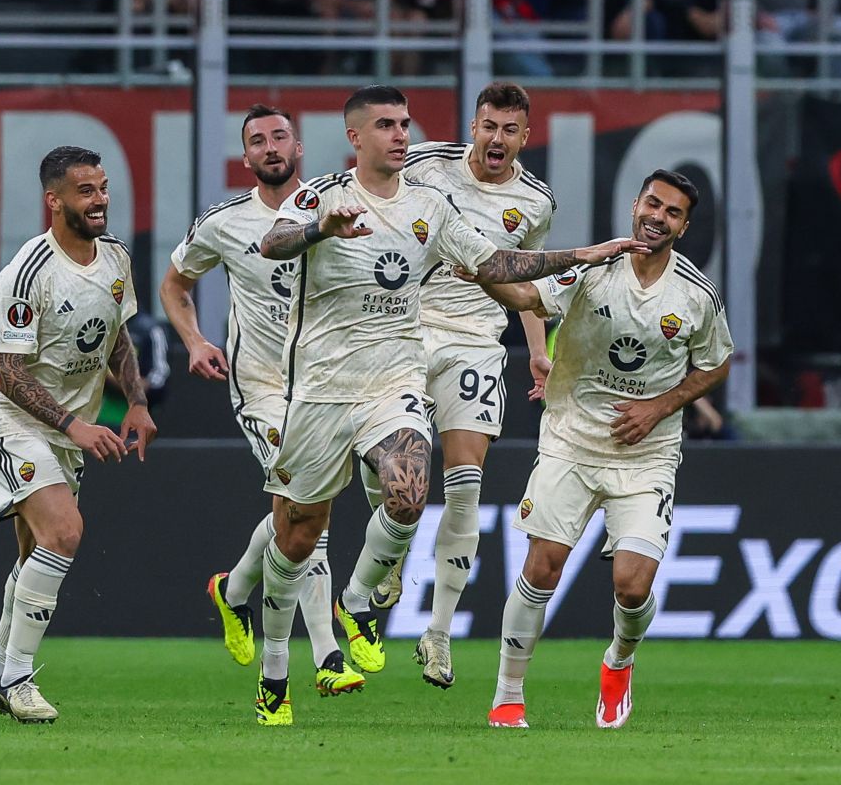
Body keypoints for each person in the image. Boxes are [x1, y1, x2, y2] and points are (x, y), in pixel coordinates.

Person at [253, 84, 648, 725]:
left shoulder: (434, 206)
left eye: (404, 123)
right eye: (386, 125)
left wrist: (579, 257)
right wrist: (320, 228)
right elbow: (271, 244)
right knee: (296, 533)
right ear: (356, 137)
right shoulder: (324, 193)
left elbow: (498, 264)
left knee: (415, 488)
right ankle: (275, 668)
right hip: (321, 386)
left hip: (403, 372)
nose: (400, 135)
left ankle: (363, 603)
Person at [467, 169, 733, 729]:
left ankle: (619, 662)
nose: (658, 217)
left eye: (673, 212)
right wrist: (478, 265)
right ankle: (508, 693)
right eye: (653, 204)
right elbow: (525, 296)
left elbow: (716, 363)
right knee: (542, 567)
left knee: (633, 585)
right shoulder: (591, 268)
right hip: (571, 438)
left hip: (646, 454)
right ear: (635, 204)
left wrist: (659, 407)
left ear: (683, 227)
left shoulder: (696, 294)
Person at [158, 104, 365, 702]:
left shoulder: (336, 206)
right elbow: (175, 284)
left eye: (279, 136)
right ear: (245, 156)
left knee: (300, 513)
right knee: (308, 506)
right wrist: (195, 341)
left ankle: (232, 590)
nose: (270, 147)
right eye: (257, 140)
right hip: (262, 386)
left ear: (298, 148)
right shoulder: (224, 221)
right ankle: (327, 655)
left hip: (324, 385)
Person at [367, 81, 556, 690]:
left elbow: (527, 280)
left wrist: (538, 352)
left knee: (466, 485)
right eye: (488, 126)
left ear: (525, 137)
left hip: (476, 340)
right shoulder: (426, 163)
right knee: (386, 459)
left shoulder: (535, 201)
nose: (497, 139)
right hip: (409, 328)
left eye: (509, 130)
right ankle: (392, 552)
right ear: (473, 126)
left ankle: (439, 633)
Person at [0, 146, 157, 723]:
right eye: (86, 191)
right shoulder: (28, 272)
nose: (100, 200)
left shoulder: (116, 256)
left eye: (103, 188)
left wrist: (137, 403)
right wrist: (76, 424)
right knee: (65, 531)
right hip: (10, 418)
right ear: (54, 200)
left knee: (37, 552)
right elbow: (8, 372)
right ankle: (17, 677)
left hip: (68, 428)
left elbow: (117, 335)